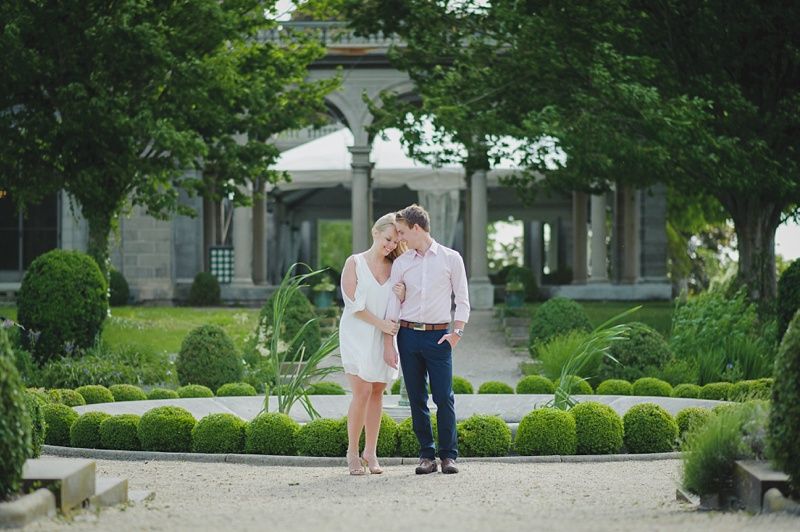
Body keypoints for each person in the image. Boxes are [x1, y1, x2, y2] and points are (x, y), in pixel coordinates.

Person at [383, 204, 470, 475]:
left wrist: (457, 333)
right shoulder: (401, 263)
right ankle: (426, 456)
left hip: (438, 336)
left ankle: (448, 456)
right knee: (417, 399)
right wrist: (390, 341)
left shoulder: (451, 258)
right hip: (408, 335)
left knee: (444, 397)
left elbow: (463, 300)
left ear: (417, 228)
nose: (400, 238)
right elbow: (393, 306)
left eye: (402, 232)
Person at [339, 213, 407, 475]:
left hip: (384, 336)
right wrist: (381, 325)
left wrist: (403, 294)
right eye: (388, 238)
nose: (391, 244)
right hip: (357, 334)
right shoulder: (354, 262)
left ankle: (371, 451)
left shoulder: (397, 267)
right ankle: (352, 452)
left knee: (378, 391)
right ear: (375, 233)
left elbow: (398, 306)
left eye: (395, 241)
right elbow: (354, 305)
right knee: (362, 391)